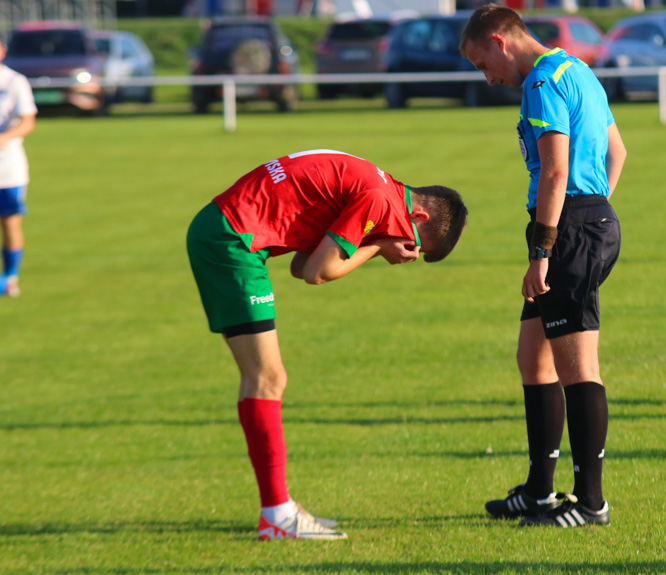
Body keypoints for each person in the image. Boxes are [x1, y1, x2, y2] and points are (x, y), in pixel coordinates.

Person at [186, 149, 467, 540]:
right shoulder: (380, 200)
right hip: (232, 241)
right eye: (415, 244)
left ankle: (278, 509)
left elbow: (301, 265)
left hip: (224, 231)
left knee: (267, 378)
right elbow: (319, 273)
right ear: (418, 216)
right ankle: (277, 515)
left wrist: (375, 242)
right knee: (267, 378)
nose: (408, 251)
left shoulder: (379, 185)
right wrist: (376, 246)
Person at [461, 5, 627, 528]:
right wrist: (597, 211)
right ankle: (539, 492)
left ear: (499, 40)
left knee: (579, 368)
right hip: (583, 222)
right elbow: (617, 151)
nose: (487, 77)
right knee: (533, 359)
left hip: (567, 230)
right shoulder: (575, 68)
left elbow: (555, 172)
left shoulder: (540, 83)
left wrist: (547, 249)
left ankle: (591, 502)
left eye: (482, 62)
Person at [0, 36, 37, 297]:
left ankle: (10, 277)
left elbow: (27, 122)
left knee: (10, 222)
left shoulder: (14, 81)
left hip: (7, 168)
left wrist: (4, 137)